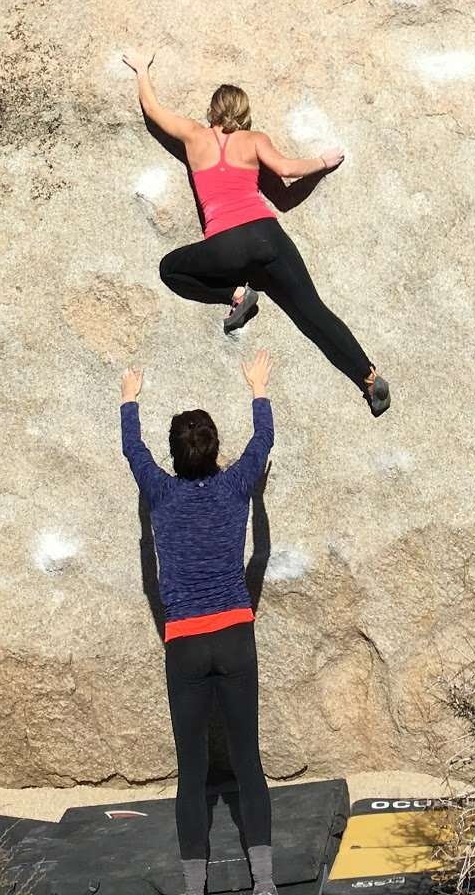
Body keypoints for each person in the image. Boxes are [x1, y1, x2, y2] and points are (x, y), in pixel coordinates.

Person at [123, 49, 391, 417]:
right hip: (267, 236)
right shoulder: (254, 140)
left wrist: (142, 70)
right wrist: (323, 163)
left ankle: (235, 295)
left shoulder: (193, 135)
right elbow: (285, 169)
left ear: (212, 110)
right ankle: (368, 377)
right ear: (245, 113)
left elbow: (153, 111)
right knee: (312, 311)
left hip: (226, 246)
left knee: (169, 268)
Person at [123, 349, 278, 895]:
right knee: (248, 762)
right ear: (215, 450)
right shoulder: (237, 487)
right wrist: (258, 389)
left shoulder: (161, 493)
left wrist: (129, 399)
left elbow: (131, 451)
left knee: (192, 771)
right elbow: (263, 446)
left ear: (174, 455)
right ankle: (265, 884)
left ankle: (195, 887)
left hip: (185, 644)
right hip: (235, 636)